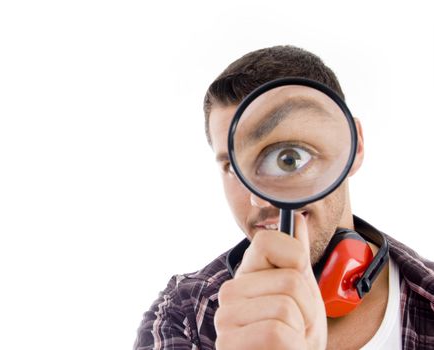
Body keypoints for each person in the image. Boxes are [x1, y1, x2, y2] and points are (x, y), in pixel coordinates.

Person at [133, 46, 434, 350]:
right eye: (233, 169)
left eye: (288, 158)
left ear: (353, 147)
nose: (258, 200)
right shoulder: (183, 316)